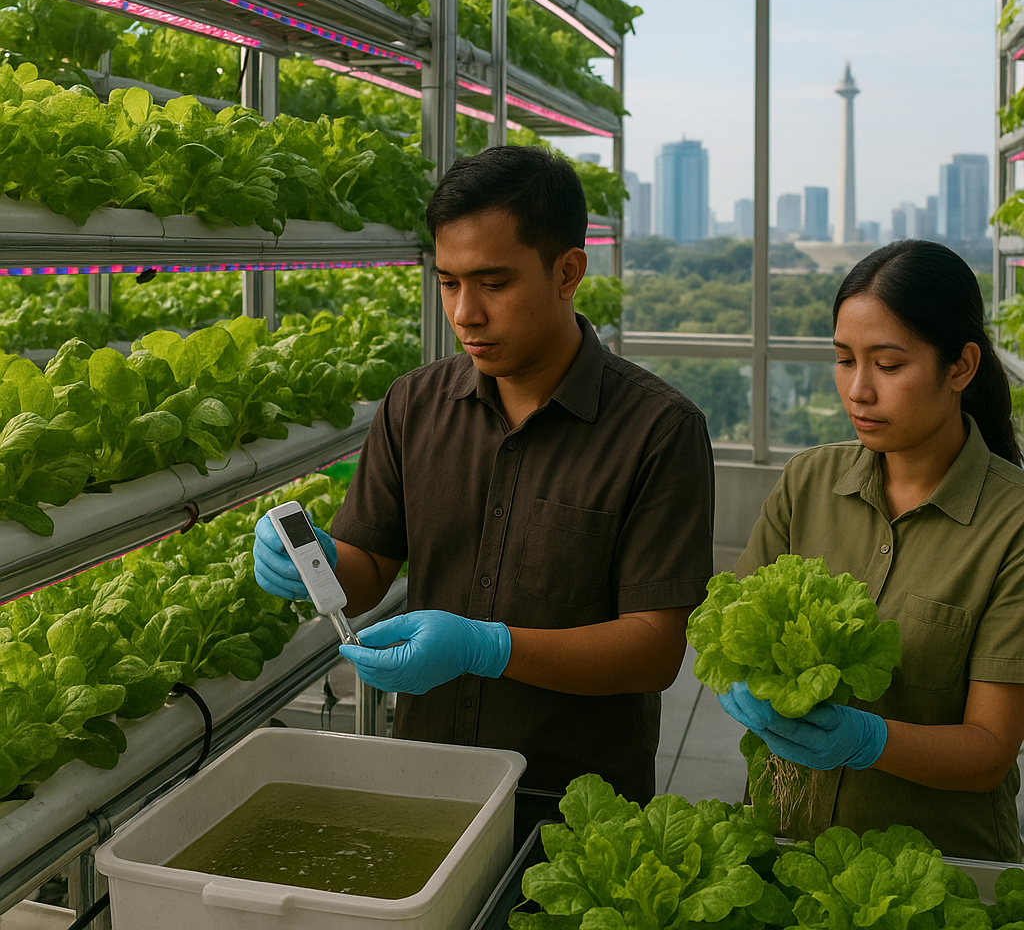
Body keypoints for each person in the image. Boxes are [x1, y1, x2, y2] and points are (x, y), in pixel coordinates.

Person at [253, 145, 715, 835]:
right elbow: (368, 570)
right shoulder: (414, 404)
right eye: (448, 283)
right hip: (424, 786)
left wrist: (487, 647)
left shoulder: (658, 430)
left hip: (572, 810)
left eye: (493, 284)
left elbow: (653, 649)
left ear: (568, 272)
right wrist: (315, 564)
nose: (465, 313)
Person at [718, 239, 1024, 862]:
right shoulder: (807, 483)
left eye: (887, 365)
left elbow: (989, 750)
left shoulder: (1011, 523)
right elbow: (728, 628)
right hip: (784, 841)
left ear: (961, 366)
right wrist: (734, 676)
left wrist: (868, 739)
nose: (857, 390)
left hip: (936, 870)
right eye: (843, 359)